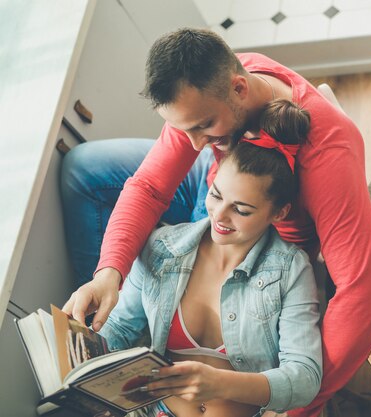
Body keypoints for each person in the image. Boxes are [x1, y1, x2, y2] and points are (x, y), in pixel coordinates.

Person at [61, 28, 371, 416]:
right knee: (83, 169)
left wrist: (295, 407)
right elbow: (148, 187)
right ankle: (112, 308)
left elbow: (362, 291)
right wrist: (109, 273)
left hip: (256, 221)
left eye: (201, 125)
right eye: (184, 129)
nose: (193, 143)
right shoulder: (210, 93)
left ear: (239, 89)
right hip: (217, 183)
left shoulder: (328, 154)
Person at [100, 99, 322, 417]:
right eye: (216, 195)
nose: (219, 215)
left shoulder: (290, 270)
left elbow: (304, 378)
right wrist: (83, 350)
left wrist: (219, 383)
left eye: (241, 209)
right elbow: (120, 328)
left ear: (279, 213)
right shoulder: (162, 247)